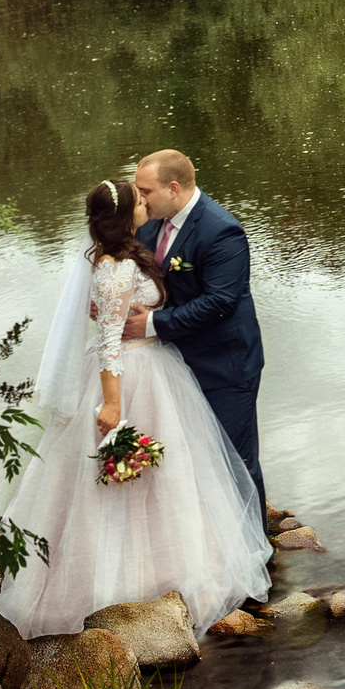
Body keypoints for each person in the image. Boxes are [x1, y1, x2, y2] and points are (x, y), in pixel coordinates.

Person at [0, 179, 268, 640]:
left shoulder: (119, 254)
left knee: (162, 472)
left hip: (151, 368)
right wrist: (113, 404)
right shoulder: (116, 266)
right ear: (125, 216)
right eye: (139, 199)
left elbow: (105, 313)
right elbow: (107, 341)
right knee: (137, 476)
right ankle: (135, 586)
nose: (147, 202)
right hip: (132, 376)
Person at [124, 149, 269, 510]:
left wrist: (152, 324)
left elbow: (220, 303)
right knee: (191, 457)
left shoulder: (222, 231)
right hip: (174, 364)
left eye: (146, 191)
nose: (139, 199)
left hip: (225, 366)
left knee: (236, 459)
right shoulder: (151, 221)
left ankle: (257, 553)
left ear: (173, 188)